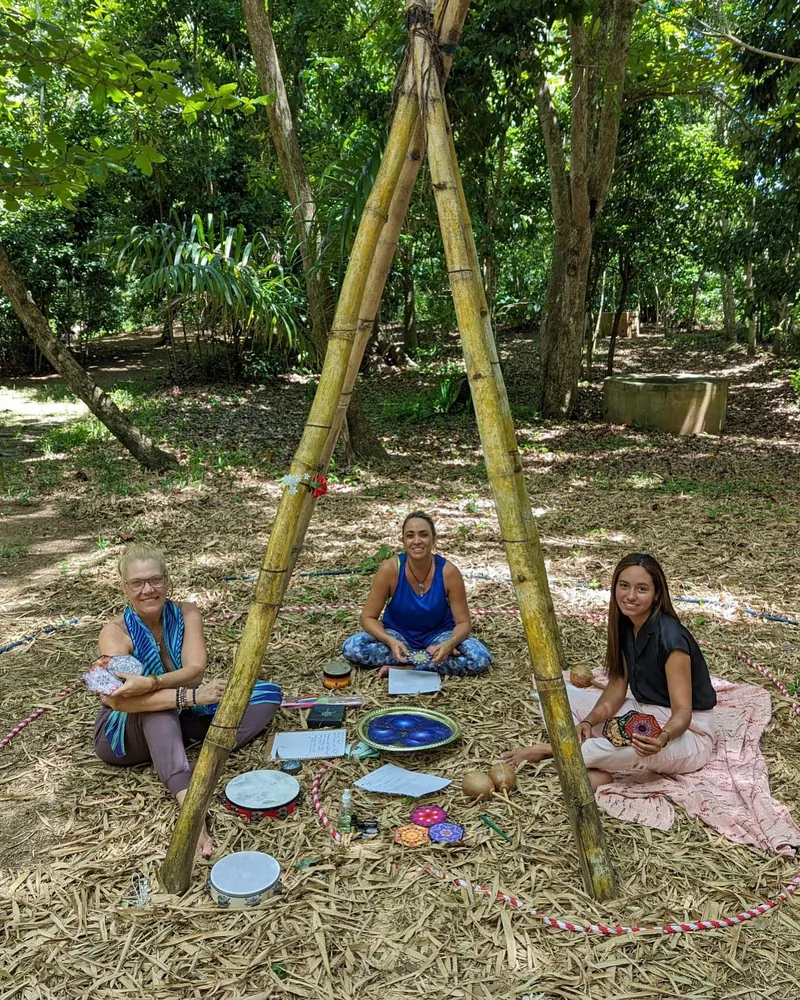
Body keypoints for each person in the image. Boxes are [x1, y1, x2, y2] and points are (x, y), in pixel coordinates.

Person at [92, 544, 281, 857]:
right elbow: (118, 701)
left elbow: (195, 670)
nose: (148, 590)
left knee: (266, 694)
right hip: (123, 734)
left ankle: (173, 753)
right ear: (124, 588)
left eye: (155, 580)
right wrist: (184, 696)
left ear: (168, 580)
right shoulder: (114, 634)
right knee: (159, 710)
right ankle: (190, 812)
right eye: (137, 583)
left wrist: (153, 683)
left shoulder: (187, 612)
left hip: (181, 709)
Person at [503, 553, 717, 790]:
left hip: (687, 734)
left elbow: (683, 713)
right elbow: (616, 687)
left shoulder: (671, 639)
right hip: (645, 714)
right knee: (557, 697)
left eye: (642, 589)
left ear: (657, 594)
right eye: (624, 586)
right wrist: (587, 721)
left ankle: (552, 751)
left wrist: (662, 739)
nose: (631, 596)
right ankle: (590, 759)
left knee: (616, 747)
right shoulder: (626, 623)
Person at [342, 512, 492, 677]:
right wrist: (390, 641)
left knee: (479, 657)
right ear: (403, 541)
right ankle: (423, 663)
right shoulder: (390, 569)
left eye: (424, 534)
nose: (417, 541)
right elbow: (368, 618)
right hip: (399, 637)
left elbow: (463, 622)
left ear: (433, 539)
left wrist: (449, 644)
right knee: (352, 647)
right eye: (410, 535)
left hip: (439, 637)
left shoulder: (448, 572)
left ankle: (407, 668)